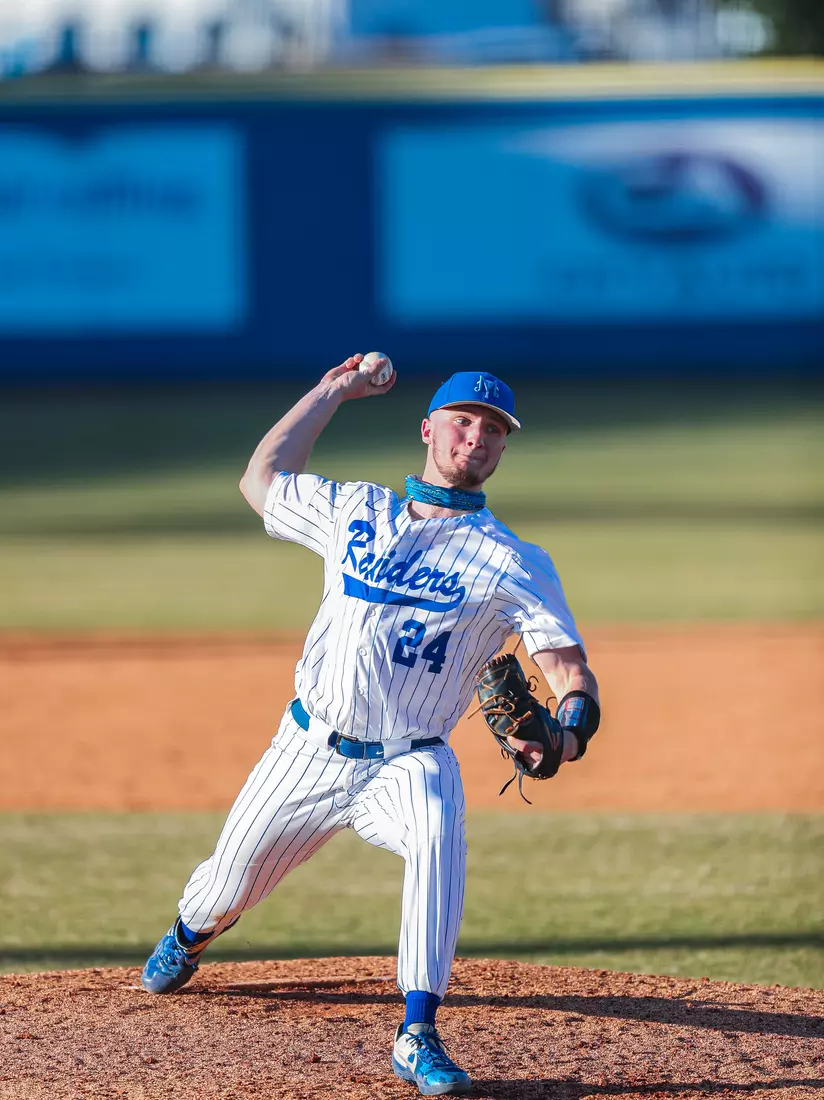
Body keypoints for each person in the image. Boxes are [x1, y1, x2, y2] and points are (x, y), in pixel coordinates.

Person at [141, 355, 600, 1096]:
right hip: (307, 751)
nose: (475, 438)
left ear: (502, 447)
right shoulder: (355, 508)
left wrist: (567, 737)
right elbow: (261, 480)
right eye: (462, 421)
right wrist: (331, 392)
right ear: (428, 430)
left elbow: (570, 671)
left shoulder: (514, 561)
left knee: (438, 832)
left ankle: (418, 1031)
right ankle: (189, 936)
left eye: (492, 430)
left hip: (410, 759)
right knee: (222, 889)